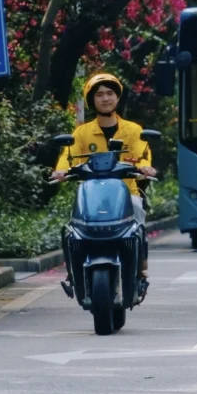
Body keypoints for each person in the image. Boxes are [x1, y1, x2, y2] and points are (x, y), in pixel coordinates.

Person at [52, 72, 156, 281]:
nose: (105, 98)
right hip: (92, 195)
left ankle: (140, 260)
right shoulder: (81, 133)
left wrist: (145, 167)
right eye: (99, 95)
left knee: (137, 208)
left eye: (110, 93)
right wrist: (61, 170)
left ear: (117, 97)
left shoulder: (133, 130)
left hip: (126, 193)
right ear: (92, 100)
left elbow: (142, 152)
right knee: (73, 226)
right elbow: (68, 155)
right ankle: (74, 269)